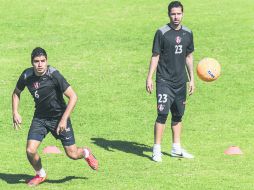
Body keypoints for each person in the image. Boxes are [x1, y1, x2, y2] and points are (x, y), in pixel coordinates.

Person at [12, 47, 98, 186]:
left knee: (73, 154)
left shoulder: (54, 75)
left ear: (46, 61)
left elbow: (73, 96)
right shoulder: (26, 75)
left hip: (59, 118)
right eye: (36, 61)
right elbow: (16, 92)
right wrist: (15, 112)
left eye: (43, 61)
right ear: (31, 62)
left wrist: (63, 119)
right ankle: (41, 174)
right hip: (40, 118)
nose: (40, 64)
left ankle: (86, 153)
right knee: (30, 150)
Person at [146, 1, 195, 162]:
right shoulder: (162, 33)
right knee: (162, 114)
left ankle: (176, 148)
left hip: (181, 82)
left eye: (179, 13)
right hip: (164, 81)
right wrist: (149, 77)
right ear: (169, 14)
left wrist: (192, 79)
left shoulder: (188, 33)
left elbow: (189, 57)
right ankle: (156, 150)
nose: (176, 17)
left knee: (178, 115)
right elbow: (155, 56)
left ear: (183, 14)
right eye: (173, 14)